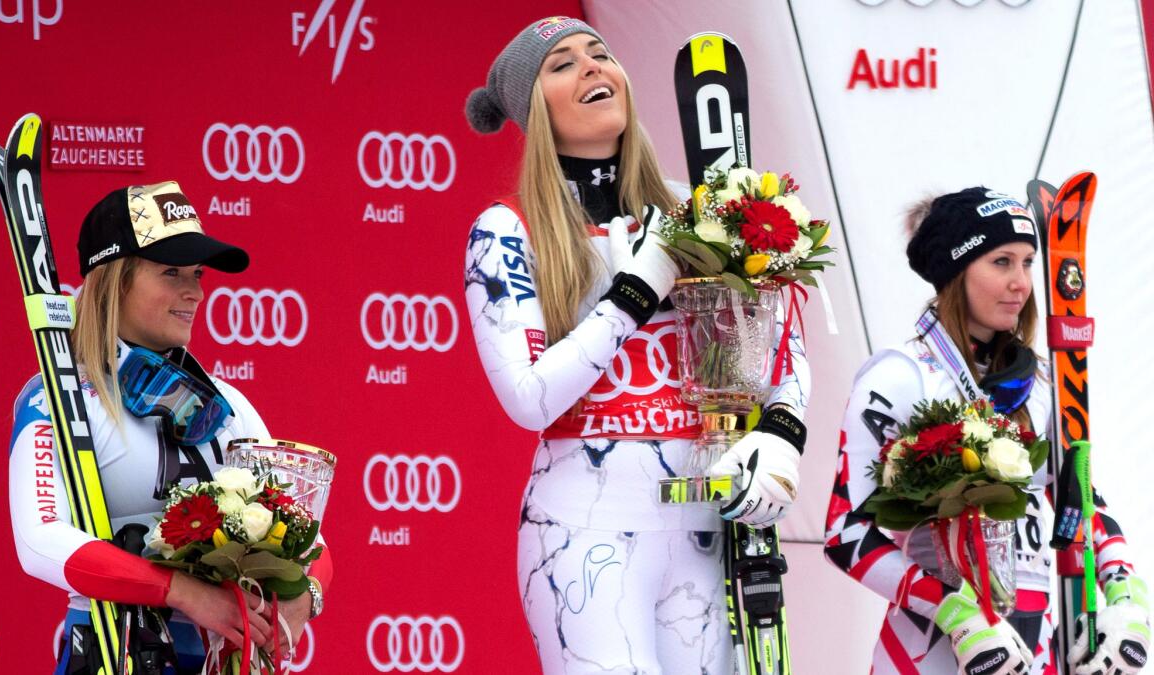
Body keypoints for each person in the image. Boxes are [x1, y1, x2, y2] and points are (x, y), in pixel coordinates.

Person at [463, 17, 809, 673]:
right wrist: (640, 284)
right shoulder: (509, 228)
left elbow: (783, 353)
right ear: (535, 110)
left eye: (600, 54)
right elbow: (529, 396)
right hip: (585, 529)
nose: (593, 67)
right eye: (562, 64)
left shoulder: (697, 206)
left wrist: (781, 438)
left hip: (708, 524)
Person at [8, 181, 332, 673]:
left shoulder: (227, 404)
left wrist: (299, 600)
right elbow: (39, 540)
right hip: (110, 651)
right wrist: (184, 593)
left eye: (198, 274)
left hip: (217, 657)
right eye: (171, 273)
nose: (195, 292)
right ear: (115, 280)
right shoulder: (57, 397)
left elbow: (308, 541)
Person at [823, 187, 1149, 674]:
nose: (1021, 283)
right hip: (933, 648)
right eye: (1001, 262)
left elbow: (1078, 498)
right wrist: (956, 614)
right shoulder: (899, 375)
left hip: (1036, 647)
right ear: (957, 271)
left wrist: (1126, 594)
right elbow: (846, 533)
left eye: (1028, 262)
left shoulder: (1043, 380)